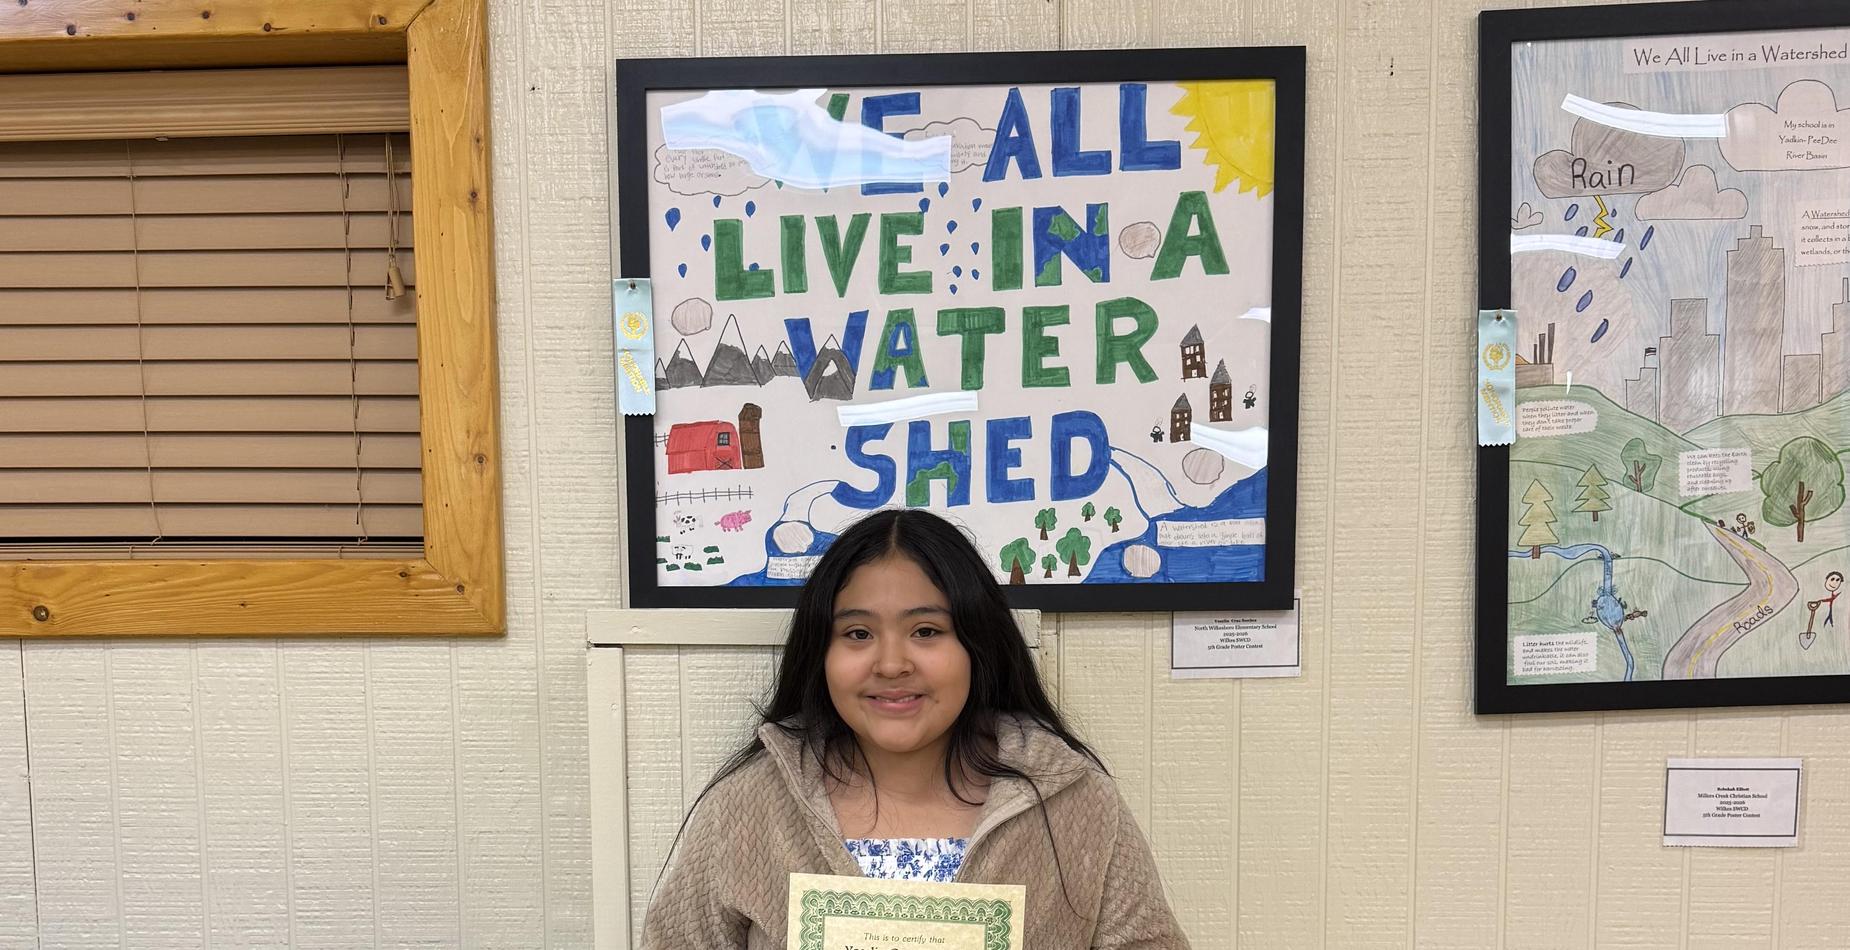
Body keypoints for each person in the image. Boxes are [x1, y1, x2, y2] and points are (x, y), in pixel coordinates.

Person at [641, 508, 1189, 948]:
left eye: (926, 630)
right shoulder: (749, 807)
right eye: (857, 634)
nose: (891, 663)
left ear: (977, 645)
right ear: (820, 651)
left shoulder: (1073, 801)